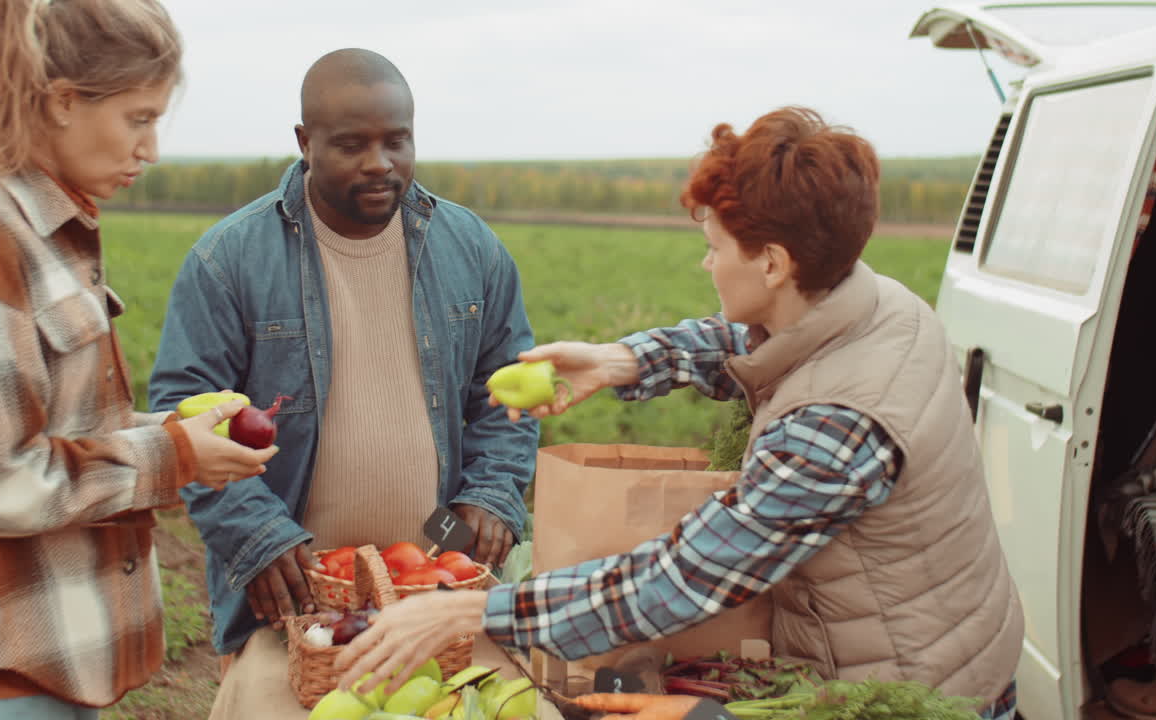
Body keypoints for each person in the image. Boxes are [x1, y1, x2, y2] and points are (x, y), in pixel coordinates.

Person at [335, 107, 1026, 720]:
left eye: (716, 244)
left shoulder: (837, 427)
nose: (705, 263)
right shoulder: (880, 306)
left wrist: (474, 609)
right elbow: (757, 346)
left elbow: (683, 577)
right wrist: (620, 361)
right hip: (942, 648)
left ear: (775, 265)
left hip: (917, 698)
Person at [0, 1, 280, 719]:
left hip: (42, 654)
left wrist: (178, 434)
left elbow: (63, 425)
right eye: (138, 119)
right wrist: (172, 456)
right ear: (63, 102)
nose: (152, 150)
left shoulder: (41, 229)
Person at [146, 48, 538, 717]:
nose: (380, 163)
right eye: (353, 145)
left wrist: (494, 494)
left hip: (435, 589)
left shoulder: (471, 248)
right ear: (305, 143)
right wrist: (262, 539)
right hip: (299, 607)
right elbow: (185, 421)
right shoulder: (230, 260)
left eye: (397, 141)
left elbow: (508, 396)